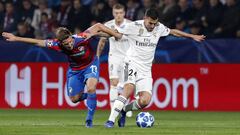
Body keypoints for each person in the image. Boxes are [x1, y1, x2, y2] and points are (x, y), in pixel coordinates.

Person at [2, 23, 121, 128]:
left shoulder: (82, 37)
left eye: (69, 41)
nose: (69, 45)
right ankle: (91, 96)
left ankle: (89, 120)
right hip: (75, 70)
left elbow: (99, 25)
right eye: (65, 43)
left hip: (91, 64)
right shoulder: (56, 44)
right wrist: (16, 38)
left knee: (91, 87)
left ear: (71, 36)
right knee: (74, 99)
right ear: (60, 42)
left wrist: (115, 35)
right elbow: (38, 42)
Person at [104, 8, 205, 128]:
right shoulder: (133, 26)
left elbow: (173, 32)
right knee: (128, 89)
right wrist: (99, 31)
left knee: (144, 101)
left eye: (155, 23)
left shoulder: (159, 27)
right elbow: (115, 32)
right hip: (131, 63)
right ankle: (110, 120)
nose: (152, 26)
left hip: (146, 69)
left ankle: (124, 110)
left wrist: (192, 36)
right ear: (145, 18)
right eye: (150, 23)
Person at [96, 3, 133, 124]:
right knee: (113, 83)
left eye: (121, 13)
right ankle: (113, 112)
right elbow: (102, 41)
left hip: (128, 58)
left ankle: (123, 109)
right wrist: (97, 56)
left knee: (126, 85)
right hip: (114, 57)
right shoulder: (108, 25)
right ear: (113, 13)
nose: (118, 15)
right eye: (116, 13)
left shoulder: (130, 25)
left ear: (124, 13)